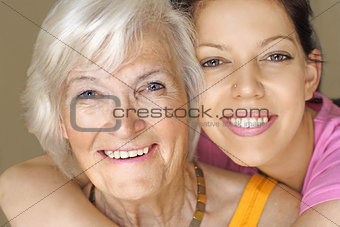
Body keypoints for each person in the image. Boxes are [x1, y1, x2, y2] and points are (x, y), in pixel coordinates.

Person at [0, 0, 300, 226]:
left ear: (189, 96)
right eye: (89, 93)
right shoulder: (35, 210)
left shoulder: (278, 216)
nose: (125, 126)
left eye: (152, 87)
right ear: (60, 120)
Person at [187, 0, 340, 224]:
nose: (248, 87)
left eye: (275, 56)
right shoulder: (196, 147)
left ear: (309, 77)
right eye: (213, 61)